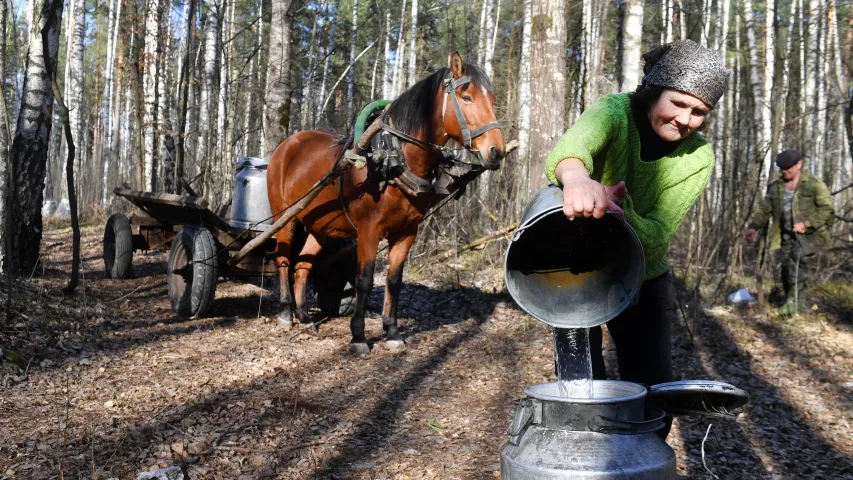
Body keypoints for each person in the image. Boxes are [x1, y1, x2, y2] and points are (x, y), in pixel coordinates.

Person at [544, 39, 729, 438]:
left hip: (643, 274)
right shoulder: (614, 112)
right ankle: (587, 451)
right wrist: (578, 179)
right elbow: (571, 151)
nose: (685, 119)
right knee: (581, 380)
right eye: (678, 103)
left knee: (653, 388)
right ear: (654, 90)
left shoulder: (698, 157)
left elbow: (659, 234)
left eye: (699, 112)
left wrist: (618, 211)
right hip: (578, 264)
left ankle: (644, 458)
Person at [745, 149, 835, 314]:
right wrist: (753, 226)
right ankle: (794, 303)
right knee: (786, 271)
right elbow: (765, 209)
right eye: (781, 168)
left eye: (788, 168)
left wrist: (806, 224)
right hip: (785, 236)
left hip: (810, 236)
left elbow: (827, 209)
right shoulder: (776, 187)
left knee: (796, 267)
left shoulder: (814, 184)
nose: (784, 171)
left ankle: (791, 310)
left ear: (799, 164)